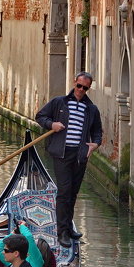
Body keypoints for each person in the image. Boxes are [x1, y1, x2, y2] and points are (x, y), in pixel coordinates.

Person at [35, 71, 102, 248]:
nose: (81, 90)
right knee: (64, 192)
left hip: (80, 156)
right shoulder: (59, 102)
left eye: (85, 88)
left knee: (73, 192)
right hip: (62, 154)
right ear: (74, 83)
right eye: (79, 86)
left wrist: (95, 145)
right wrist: (52, 124)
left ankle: (69, 227)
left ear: (88, 88)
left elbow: (97, 132)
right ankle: (62, 232)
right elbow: (40, 116)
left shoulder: (91, 109)